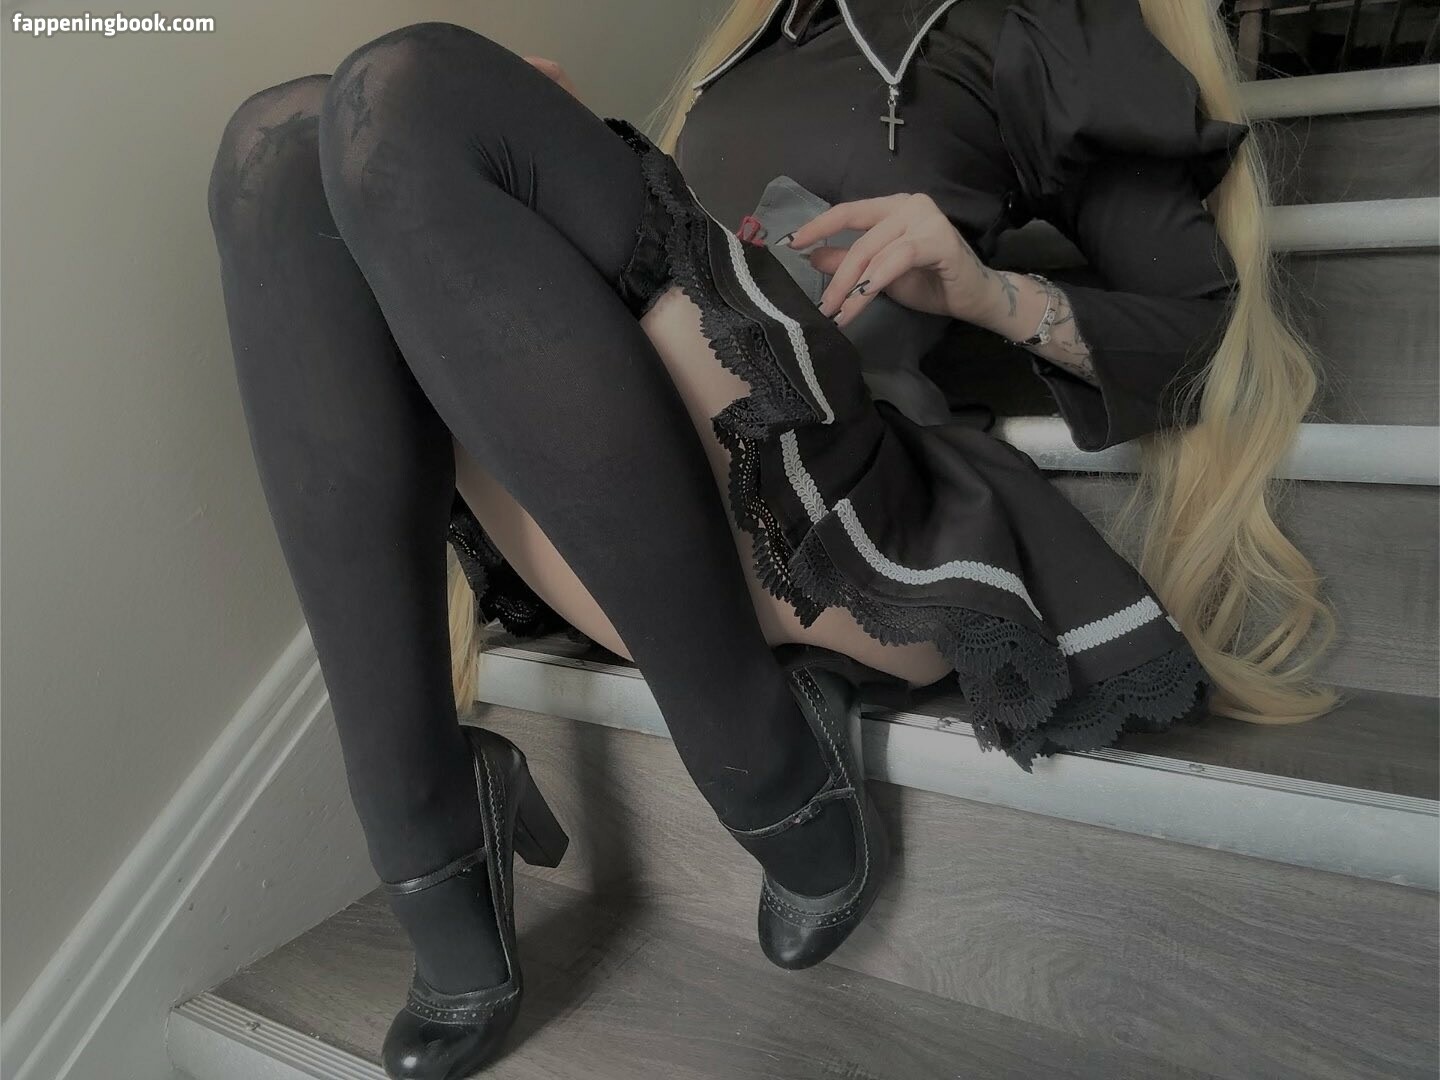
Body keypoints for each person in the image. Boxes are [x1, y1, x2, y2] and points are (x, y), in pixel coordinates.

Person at [206, 2, 1334, 1076]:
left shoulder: (1034, 28)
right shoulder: (748, 43)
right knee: (284, 142)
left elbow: (1204, 338)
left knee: (406, 89)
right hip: (633, 526)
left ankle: (758, 755)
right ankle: (421, 819)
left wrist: (989, 293)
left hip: (841, 524)